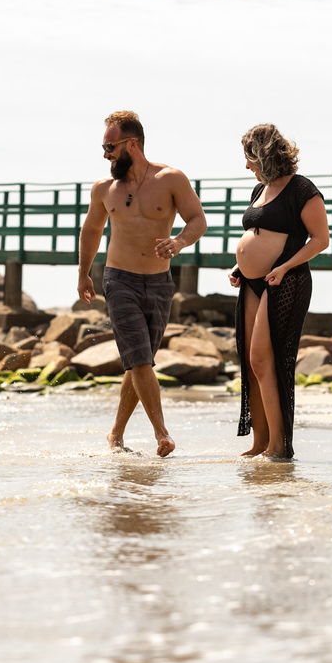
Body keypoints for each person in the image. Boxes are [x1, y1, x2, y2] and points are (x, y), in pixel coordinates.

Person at [78, 110, 206, 457]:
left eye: (109, 147)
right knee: (140, 361)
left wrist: (178, 242)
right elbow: (91, 230)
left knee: (140, 361)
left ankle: (115, 434)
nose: (105, 155)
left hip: (160, 283)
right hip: (119, 281)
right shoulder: (104, 189)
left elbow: (198, 220)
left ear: (130, 144)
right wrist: (83, 273)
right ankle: (162, 433)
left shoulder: (171, 179)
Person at [228, 124, 330, 459]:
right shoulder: (260, 189)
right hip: (253, 283)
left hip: (285, 282)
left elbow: (320, 240)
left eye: (249, 158)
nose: (246, 166)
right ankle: (260, 442)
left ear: (263, 154)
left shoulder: (302, 189)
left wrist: (284, 267)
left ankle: (278, 446)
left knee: (264, 360)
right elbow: (257, 238)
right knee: (251, 362)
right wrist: (239, 267)